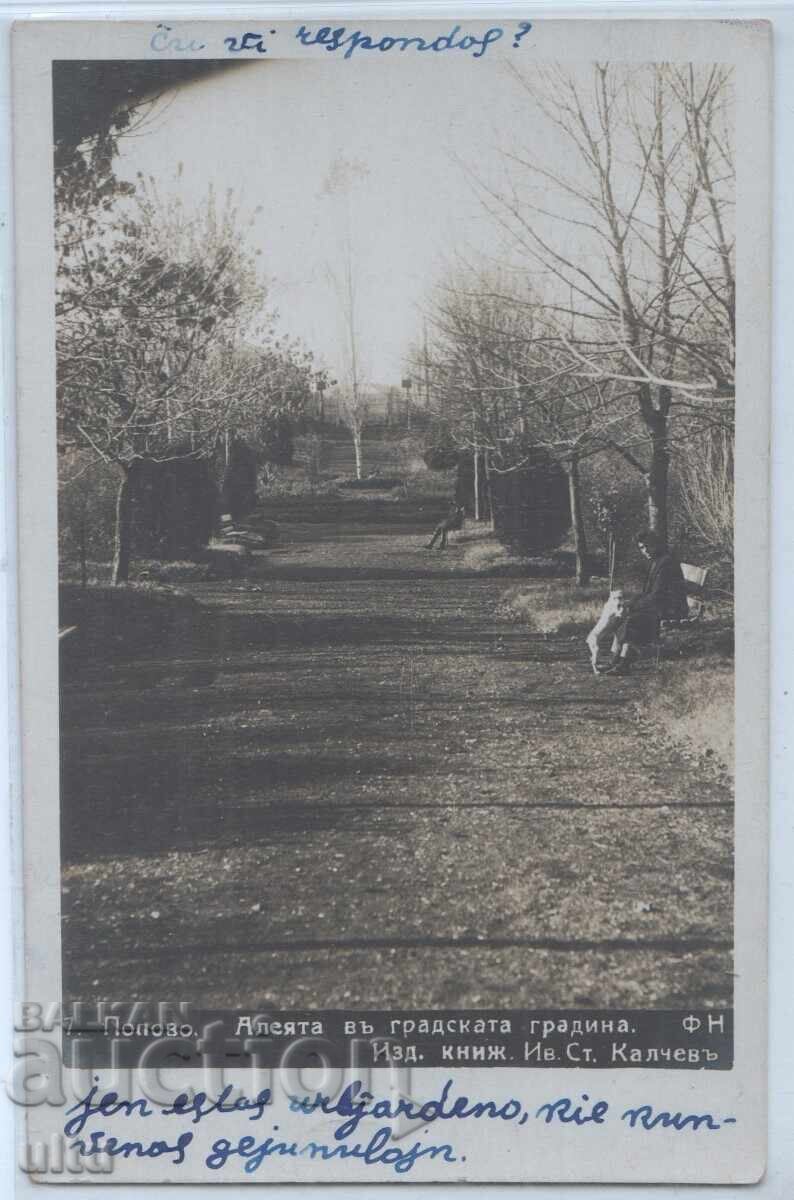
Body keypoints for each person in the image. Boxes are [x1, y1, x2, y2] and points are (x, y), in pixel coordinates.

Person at [599, 529, 688, 676]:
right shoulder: (656, 561)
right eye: (642, 547)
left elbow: (658, 595)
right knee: (624, 616)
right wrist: (630, 603)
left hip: (672, 607)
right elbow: (649, 593)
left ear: (656, 544)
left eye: (648, 546)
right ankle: (615, 661)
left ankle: (624, 664)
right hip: (661, 604)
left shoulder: (666, 563)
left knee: (634, 620)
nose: (645, 550)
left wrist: (633, 606)